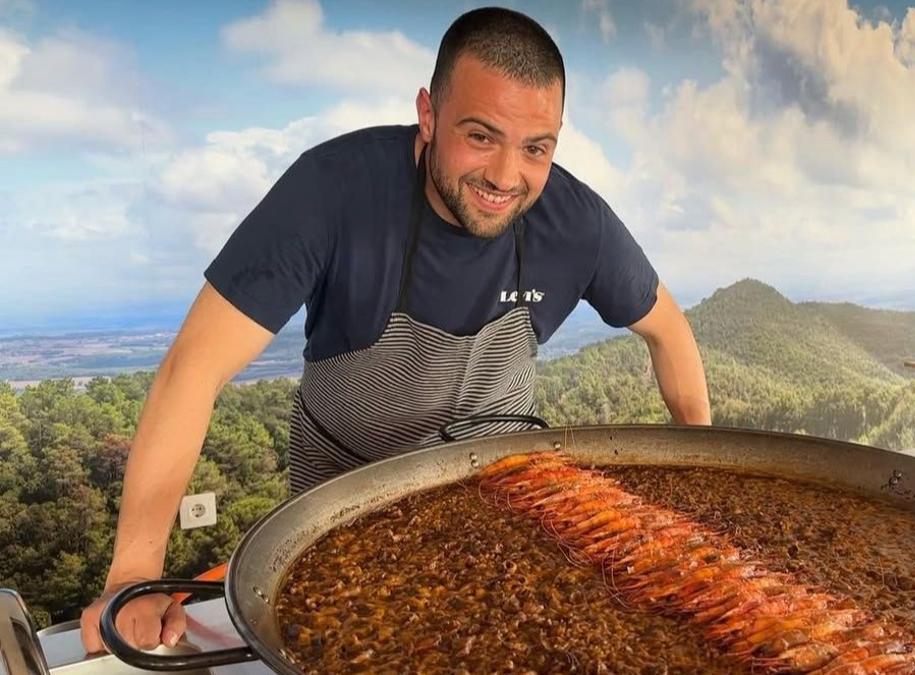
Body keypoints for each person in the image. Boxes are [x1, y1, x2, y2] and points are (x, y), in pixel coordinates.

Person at [79, 6, 709, 653]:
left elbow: (670, 332)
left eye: (535, 148)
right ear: (429, 115)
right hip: (340, 511)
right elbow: (194, 368)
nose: (505, 175)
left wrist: (703, 472)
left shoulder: (577, 222)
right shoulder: (332, 189)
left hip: (510, 511)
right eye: (481, 135)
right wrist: (134, 571)